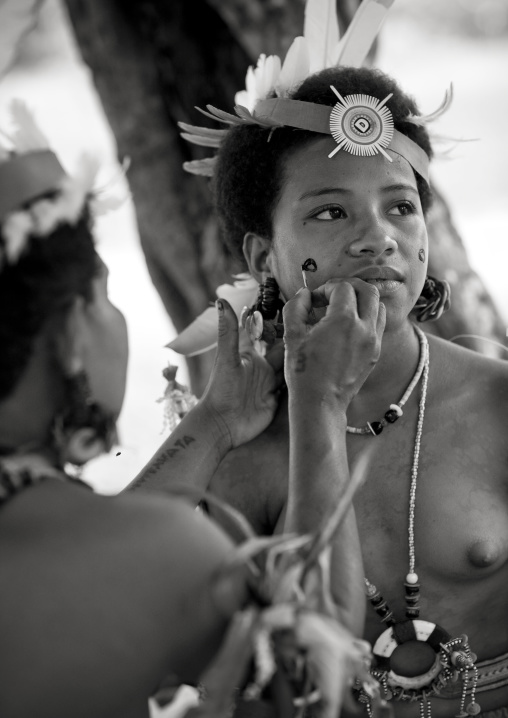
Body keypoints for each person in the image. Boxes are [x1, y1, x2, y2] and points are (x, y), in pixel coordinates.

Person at [139, 12, 508, 718]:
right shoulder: (239, 446)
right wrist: (232, 422)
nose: (378, 238)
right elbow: (124, 613)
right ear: (259, 257)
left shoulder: (497, 403)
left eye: (401, 207)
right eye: (330, 214)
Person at [0, 108, 378, 718]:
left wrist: (217, 422)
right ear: (71, 334)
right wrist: (321, 402)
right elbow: (318, 676)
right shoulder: (163, 550)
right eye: (104, 295)